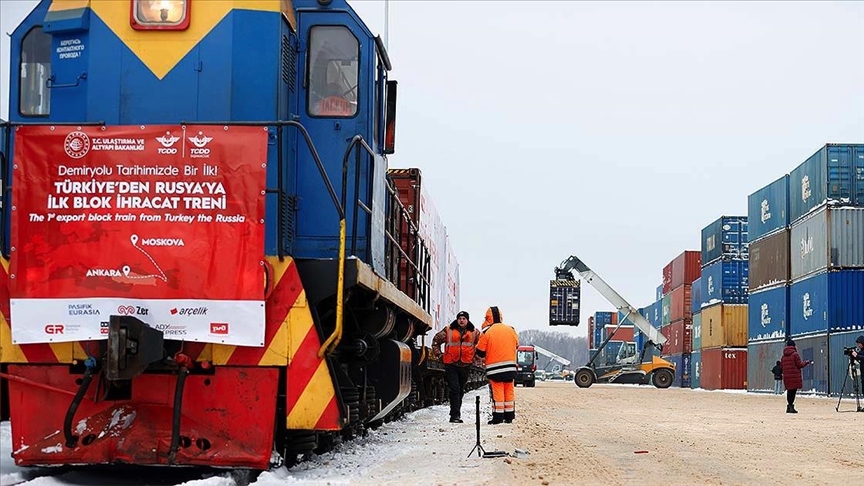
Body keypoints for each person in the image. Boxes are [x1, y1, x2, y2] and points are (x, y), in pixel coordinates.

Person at [431, 311, 479, 423]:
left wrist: (475, 357)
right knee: (455, 389)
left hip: (465, 365)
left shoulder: (474, 332)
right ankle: (455, 416)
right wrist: (439, 355)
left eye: (464, 318)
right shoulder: (448, 330)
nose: (461, 320)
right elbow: (436, 341)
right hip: (451, 364)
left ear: (467, 320)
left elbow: (481, 345)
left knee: (460, 390)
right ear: (457, 320)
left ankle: (456, 412)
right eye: (460, 318)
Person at [475, 306, 519, 425]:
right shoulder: (511, 329)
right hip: (510, 367)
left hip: (495, 369)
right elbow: (516, 345)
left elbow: (480, 351)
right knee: (509, 391)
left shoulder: (486, 331)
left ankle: (498, 417)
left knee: (498, 392)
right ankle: (509, 416)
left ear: (488, 317)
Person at [781, 338, 813, 413]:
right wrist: (806, 362)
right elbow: (799, 364)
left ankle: (789, 406)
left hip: (787, 377)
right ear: (793, 346)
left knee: (789, 391)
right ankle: (791, 407)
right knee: (793, 391)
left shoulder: (783, 356)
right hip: (794, 376)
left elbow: (781, 366)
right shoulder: (795, 354)